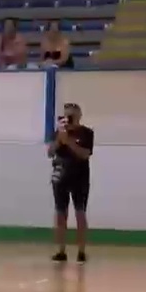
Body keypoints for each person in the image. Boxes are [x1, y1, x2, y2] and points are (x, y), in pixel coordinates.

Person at [48, 102, 94, 263]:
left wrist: (69, 142)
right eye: (67, 115)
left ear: (79, 116)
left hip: (80, 177)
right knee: (60, 213)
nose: (69, 118)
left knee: (80, 213)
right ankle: (61, 251)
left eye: (72, 115)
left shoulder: (87, 133)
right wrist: (59, 140)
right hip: (60, 176)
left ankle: (81, 251)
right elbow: (50, 152)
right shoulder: (59, 132)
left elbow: (85, 154)